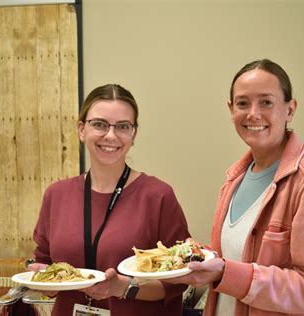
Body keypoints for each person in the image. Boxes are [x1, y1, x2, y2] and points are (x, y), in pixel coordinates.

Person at [167, 59, 304, 315]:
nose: (253, 114)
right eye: (243, 103)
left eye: (266, 102)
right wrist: (201, 257)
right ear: (231, 109)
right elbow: (239, 260)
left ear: (290, 109)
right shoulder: (235, 178)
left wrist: (224, 271)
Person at [29, 84, 190, 316]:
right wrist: (44, 279)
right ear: (82, 129)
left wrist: (124, 288)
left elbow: (177, 281)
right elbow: (43, 262)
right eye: (99, 124)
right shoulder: (56, 195)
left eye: (123, 126)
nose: (111, 135)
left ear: (133, 134)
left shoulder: (157, 196)